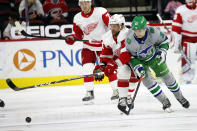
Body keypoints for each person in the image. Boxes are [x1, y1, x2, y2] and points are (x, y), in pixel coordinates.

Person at [124, 16, 190, 112]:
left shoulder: (153, 32)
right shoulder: (129, 40)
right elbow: (131, 57)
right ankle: (164, 101)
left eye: (140, 30)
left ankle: (180, 97)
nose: (137, 33)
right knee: (148, 82)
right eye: (135, 30)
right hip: (140, 61)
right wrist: (138, 67)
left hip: (155, 57)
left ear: (145, 28)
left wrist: (162, 52)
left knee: (168, 78)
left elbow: (164, 41)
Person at [65, 0, 118, 102]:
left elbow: (112, 26)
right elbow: (79, 35)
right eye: (82, 3)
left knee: (109, 68)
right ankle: (89, 92)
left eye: (86, 3)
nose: (84, 5)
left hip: (104, 46)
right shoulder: (77, 18)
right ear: (79, 4)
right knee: (87, 68)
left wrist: (111, 39)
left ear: (91, 3)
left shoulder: (101, 12)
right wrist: (72, 38)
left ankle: (116, 90)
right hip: (88, 47)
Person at [93, 14, 139, 113]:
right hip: (120, 58)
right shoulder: (107, 37)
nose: (112, 28)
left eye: (115, 26)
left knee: (134, 77)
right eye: (111, 26)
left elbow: (126, 54)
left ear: (122, 26)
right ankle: (122, 98)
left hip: (134, 58)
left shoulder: (128, 34)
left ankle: (129, 95)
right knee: (123, 71)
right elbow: (106, 54)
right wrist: (100, 67)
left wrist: (113, 64)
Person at [172, 0, 197, 84]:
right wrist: (176, 44)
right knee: (187, 61)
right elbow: (176, 29)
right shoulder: (181, 10)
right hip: (187, 40)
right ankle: (187, 80)